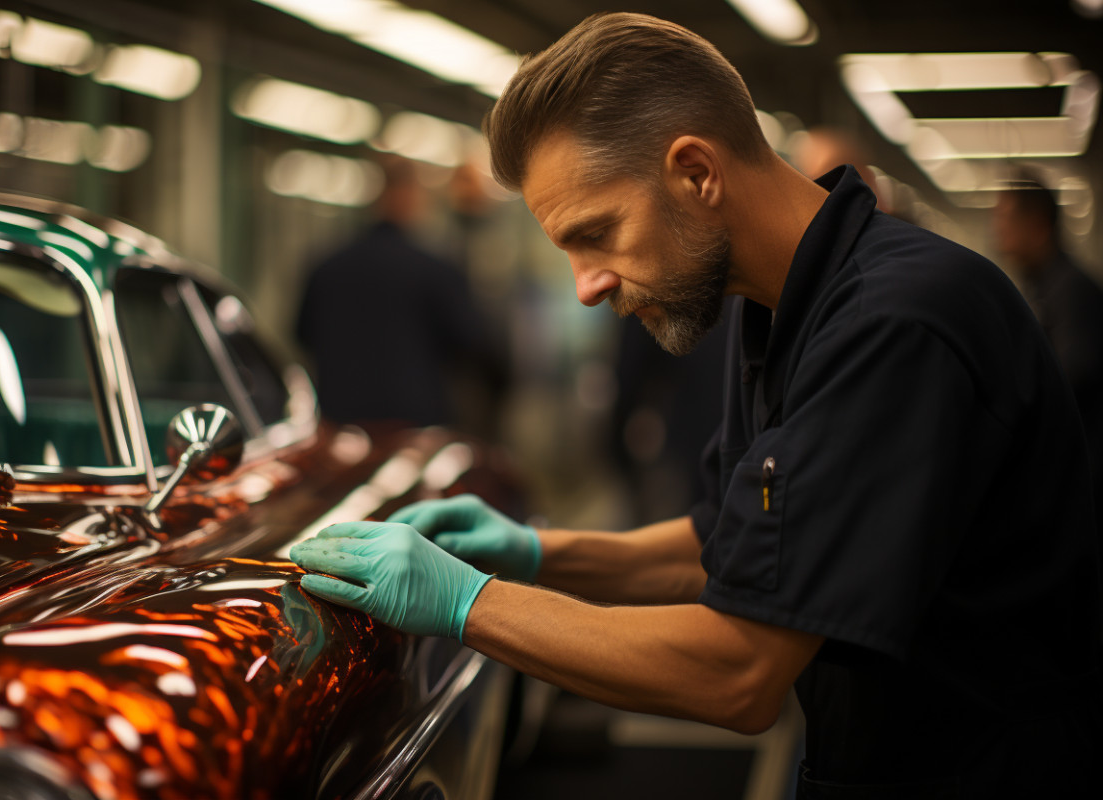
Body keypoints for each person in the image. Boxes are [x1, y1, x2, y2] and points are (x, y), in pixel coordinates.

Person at [289, 12, 1103, 797]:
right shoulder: (769, 305)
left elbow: (740, 671)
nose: (586, 287)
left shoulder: (899, 321)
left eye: (597, 233)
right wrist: (537, 552)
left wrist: (469, 603)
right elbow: (723, 545)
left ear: (697, 173)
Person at [294, 155, 507, 432]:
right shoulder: (434, 270)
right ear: (411, 196)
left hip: (338, 426)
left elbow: (301, 335)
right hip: (414, 428)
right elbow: (473, 343)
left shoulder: (326, 267)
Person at [993, 175, 1103, 520]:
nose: (998, 230)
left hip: (1084, 475)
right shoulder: (1043, 286)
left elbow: (1073, 374)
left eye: (1005, 218)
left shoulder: (1070, 289)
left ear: (1037, 224)